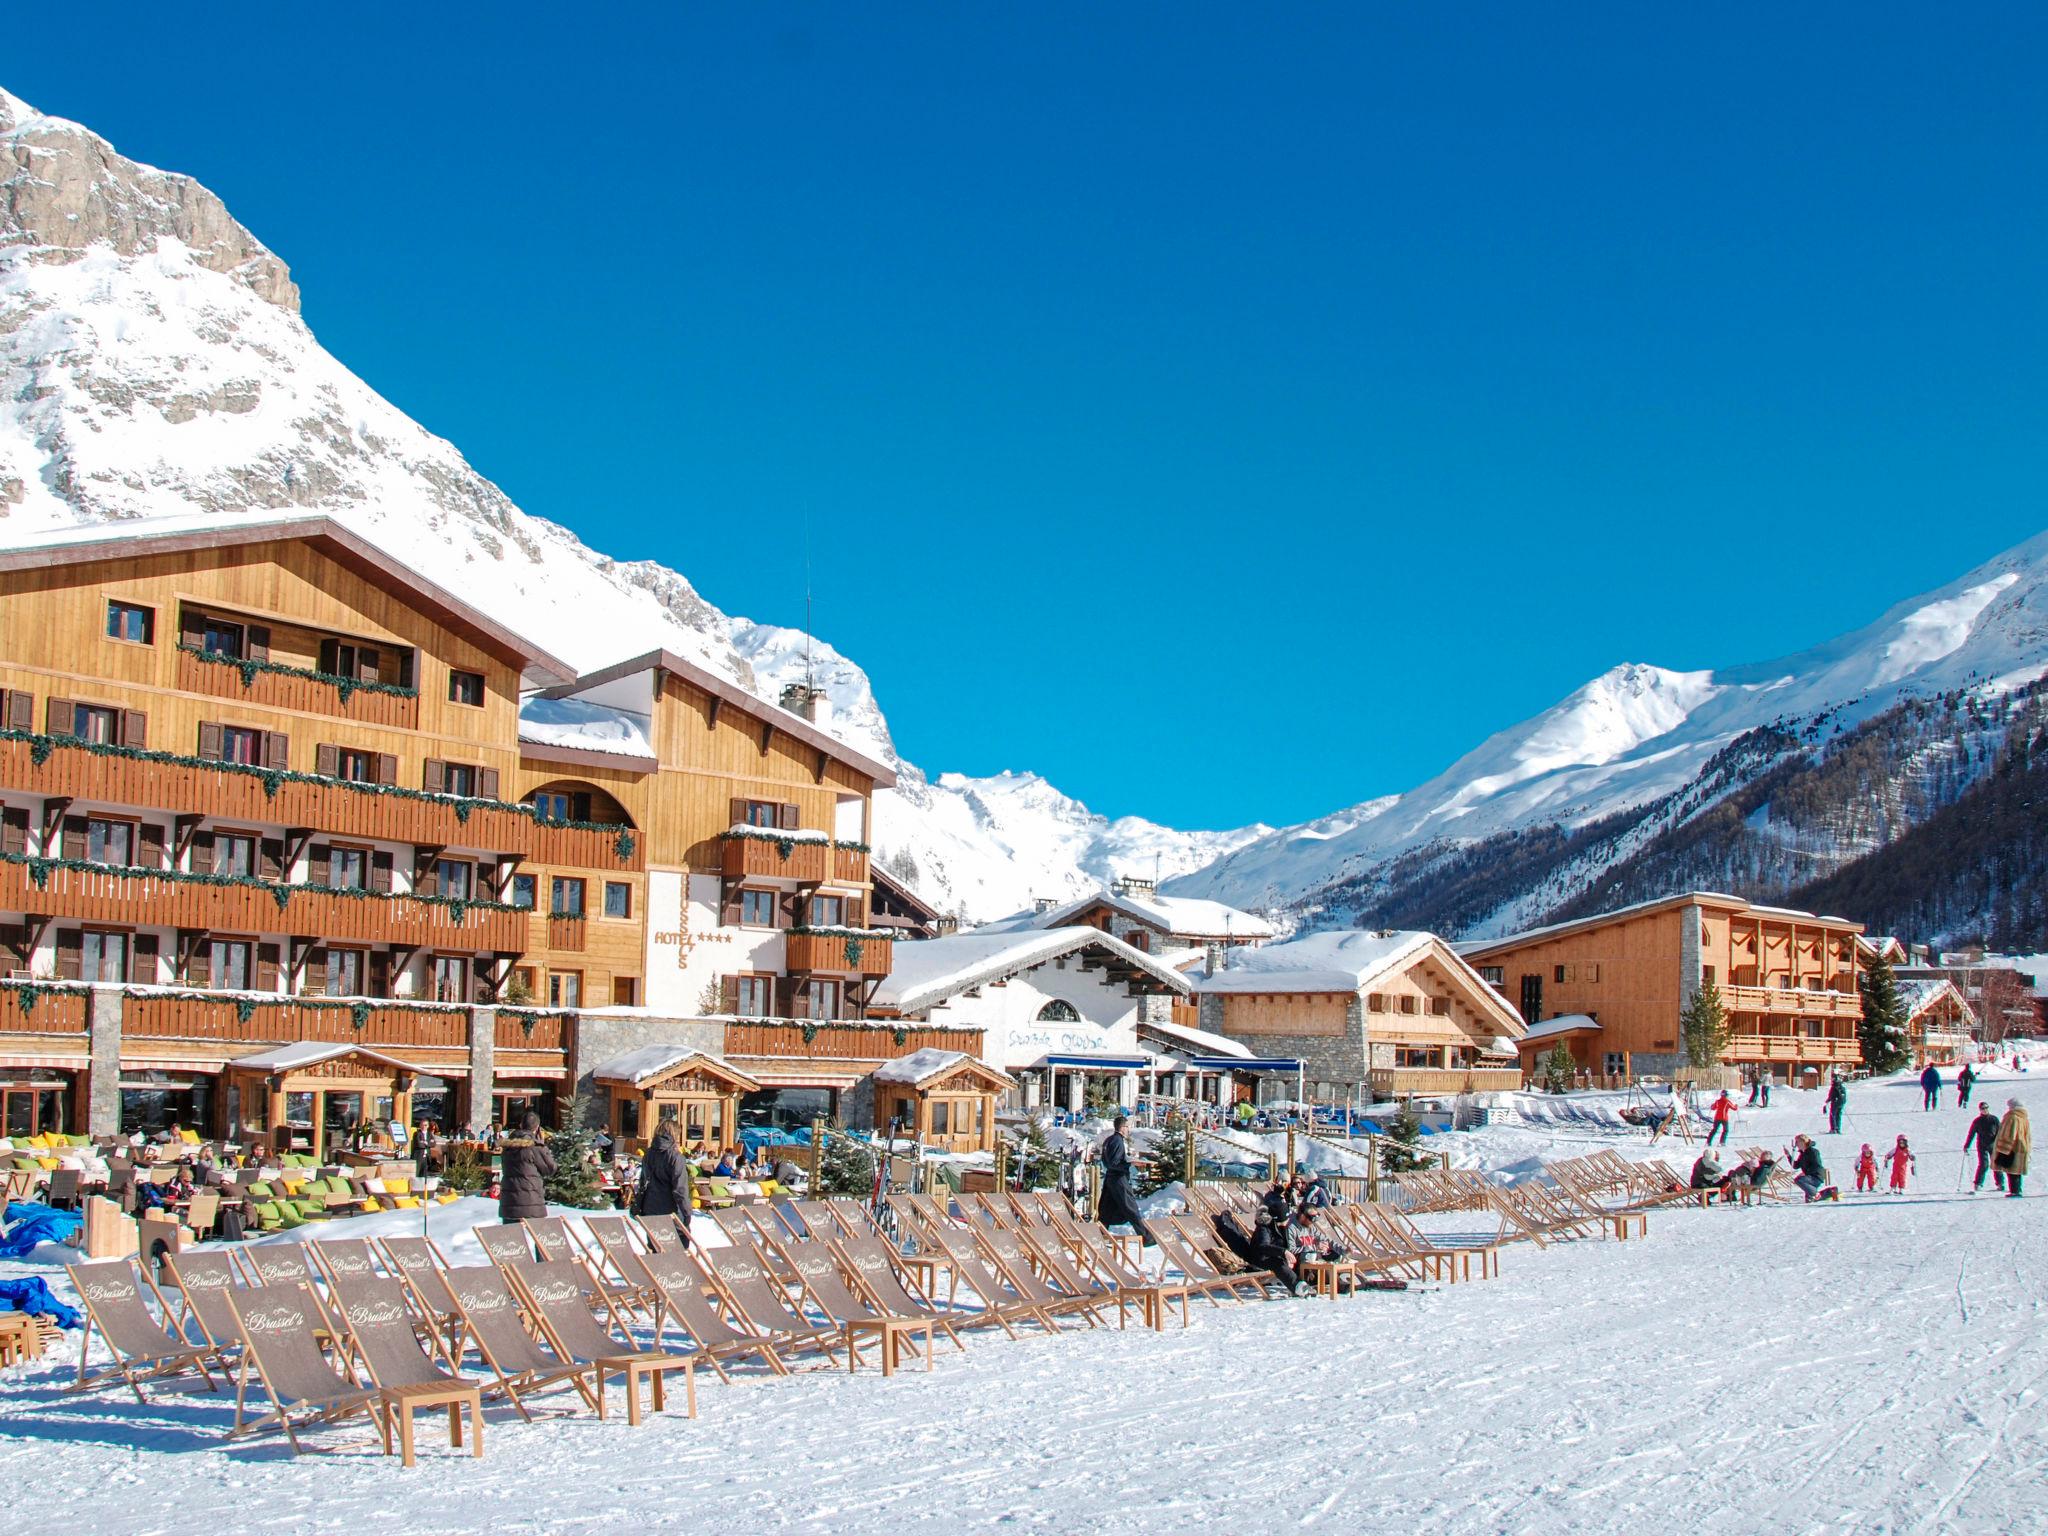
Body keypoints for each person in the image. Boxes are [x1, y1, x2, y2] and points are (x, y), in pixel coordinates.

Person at [631, 1116, 694, 1243]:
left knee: (654, 1250)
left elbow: (643, 1182)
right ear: (675, 1135)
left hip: (650, 1208)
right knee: (678, 1252)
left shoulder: (648, 1153)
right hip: (671, 1211)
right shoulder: (676, 1157)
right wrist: (687, 1214)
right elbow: (680, 1190)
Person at [1094, 1114, 1154, 1246]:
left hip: (1110, 1178)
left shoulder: (1109, 1140)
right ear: (1122, 1127)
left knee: (1106, 1210)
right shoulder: (1117, 1141)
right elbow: (1114, 1163)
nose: (1128, 1130)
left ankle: (1098, 1235)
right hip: (1118, 1178)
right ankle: (1146, 1237)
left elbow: (1107, 1160)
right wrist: (1131, 1164)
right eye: (1127, 1127)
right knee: (1130, 1207)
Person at [496, 1110, 555, 1224]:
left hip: (510, 1202)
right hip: (532, 1201)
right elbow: (550, 1168)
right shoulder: (535, 1147)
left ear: (521, 1125)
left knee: (512, 1239)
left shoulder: (508, 1146)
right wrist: (543, 1147)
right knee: (538, 1238)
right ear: (537, 1127)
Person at [1992, 1098, 2031, 1199]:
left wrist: (2003, 1148)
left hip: (2012, 1147)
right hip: (2021, 1146)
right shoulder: (2023, 1117)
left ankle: (2015, 1191)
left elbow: (2009, 1134)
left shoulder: (2012, 1117)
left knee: (2011, 1170)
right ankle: (2017, 1189)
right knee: (2017, 1171)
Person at [1965, 1101, 2004, 1193]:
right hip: (1982, 1145)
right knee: (1984, 1164)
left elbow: (2000, 1132)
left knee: (1996, 1164)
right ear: (1980, 1110)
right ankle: (1978, 1183)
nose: (1985, 1110)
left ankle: (2000, 1183)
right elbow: (1971, 1133)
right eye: (1983, 1108)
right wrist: (1967, 1145)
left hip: (1993, 1145)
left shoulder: (1994, 1119)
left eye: (1986, 1108)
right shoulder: (1977, 1121)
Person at [1787, 1135, 1837, 1202]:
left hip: (1816, 1176)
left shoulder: (1813, 1152)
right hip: (1809, 1176)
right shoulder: (1802, 1153)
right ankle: (1831, 1191)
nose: (1796, 1144)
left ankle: (1816, 1194)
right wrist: (1788, 1156)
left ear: (1803, 1142)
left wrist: (1805, 1173)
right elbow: (1795, 1165)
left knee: (1799, 1180)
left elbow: (1817, 1165)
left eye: (1797, 1142)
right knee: (1809, 1200)